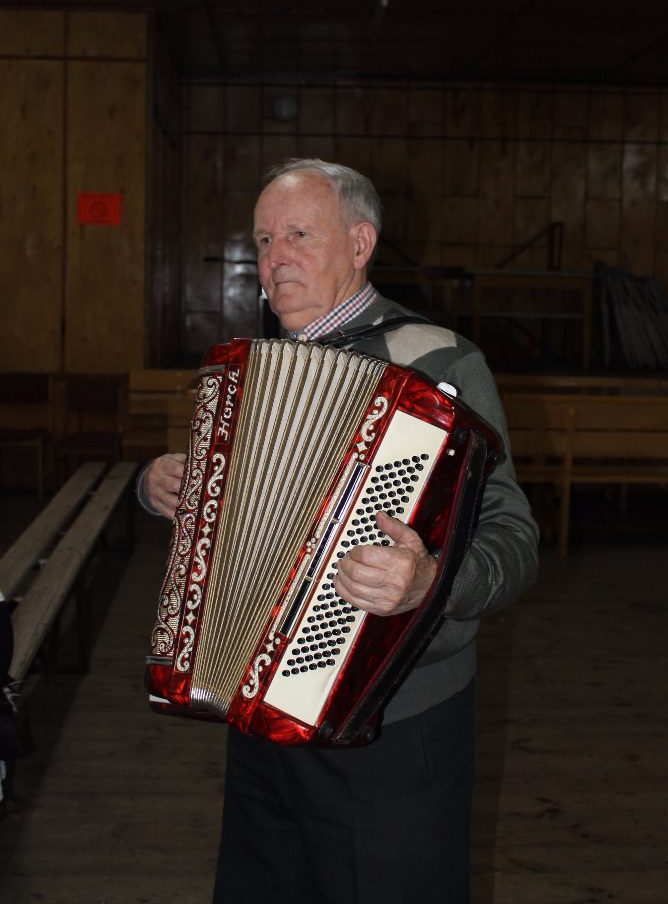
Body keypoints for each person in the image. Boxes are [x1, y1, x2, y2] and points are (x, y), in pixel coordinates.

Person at [139, 159, 539, 904]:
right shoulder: (247, 372)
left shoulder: (438, 362)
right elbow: (221, 512)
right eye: (262, 240)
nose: (273, 258)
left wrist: (430, 580)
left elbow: (514, 539)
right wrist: (160, 484)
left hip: (395, 718)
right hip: (257, 713)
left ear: (360, 243)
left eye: (297, 233)